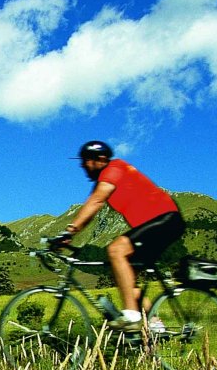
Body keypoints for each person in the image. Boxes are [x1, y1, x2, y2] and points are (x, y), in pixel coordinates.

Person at [55, 140, 186, 332]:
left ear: (100, 159)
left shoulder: (114, 168)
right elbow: (91, 207)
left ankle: (132, 316)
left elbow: (96, 201)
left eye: (86, 161)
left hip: (165, 220)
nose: (83, 165)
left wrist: (70, 231)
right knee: (126, 279)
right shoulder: (106, 178)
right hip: (160, 224)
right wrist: (69, 236)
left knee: (116, 250)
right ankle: (155, 327)